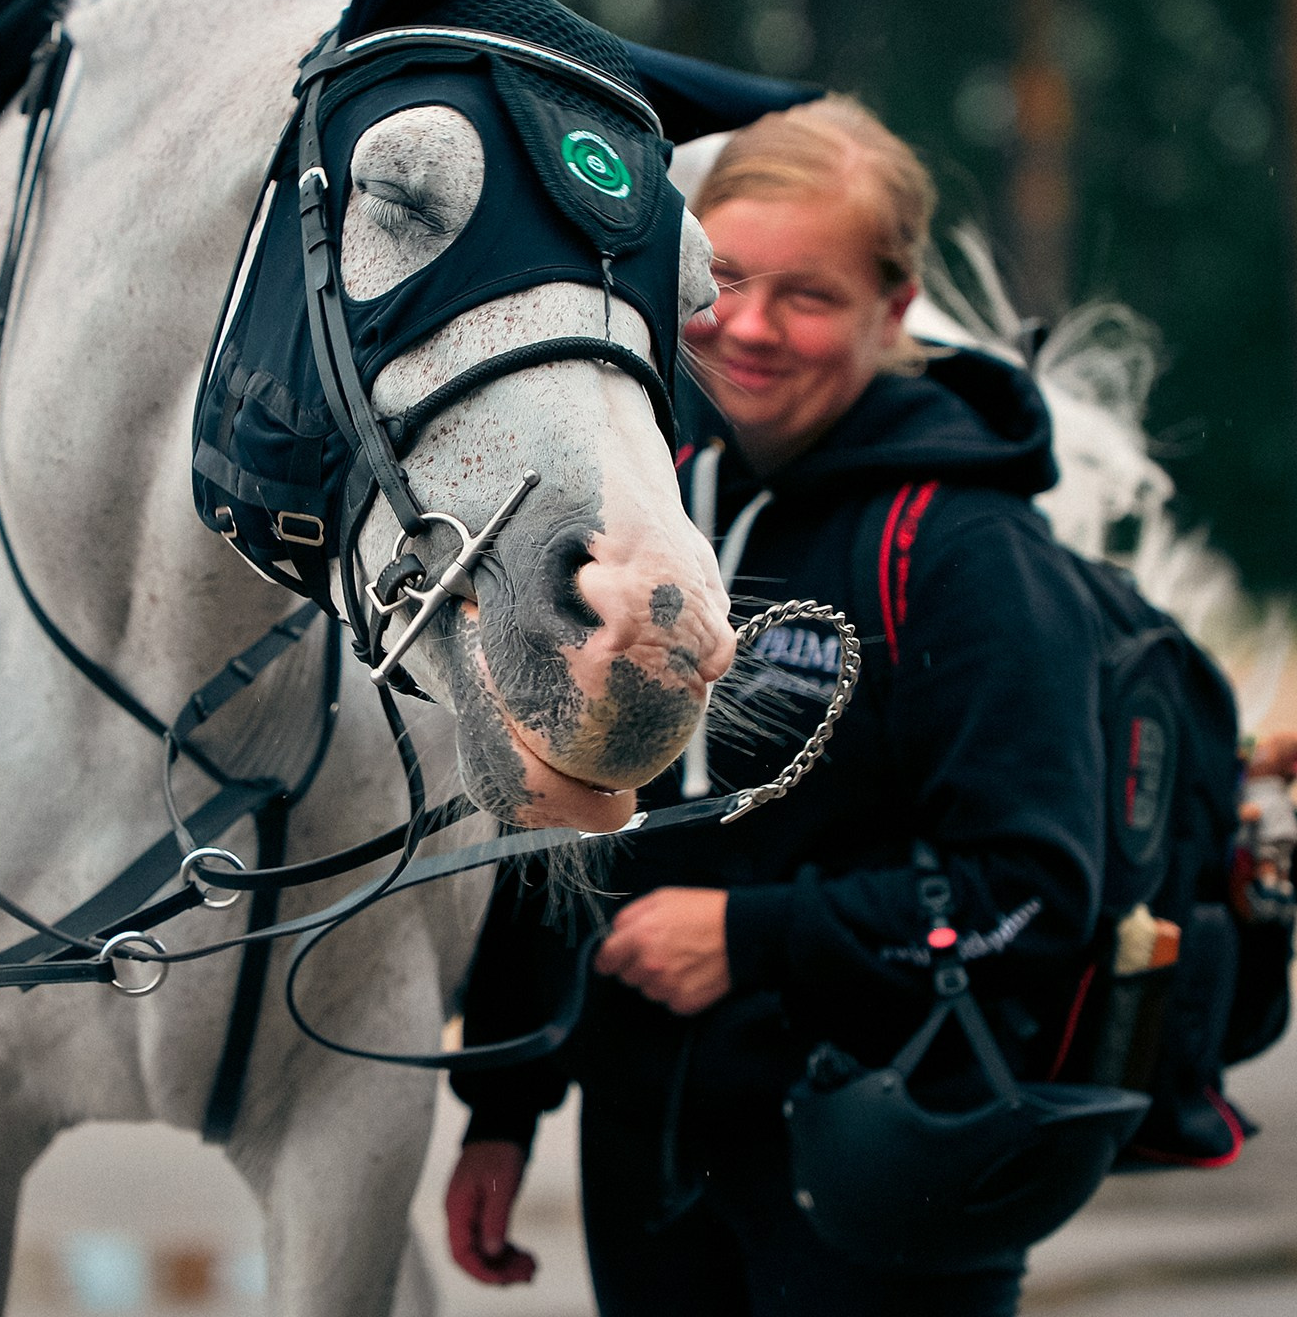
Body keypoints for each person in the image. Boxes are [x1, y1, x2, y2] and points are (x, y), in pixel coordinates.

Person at [442, 95, 1110, 1316]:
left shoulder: (967, 552)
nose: (747, 328)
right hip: (646, 1162)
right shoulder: (644, 508)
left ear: (891, 312)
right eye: (725, 280)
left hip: (881, 1172)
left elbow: (1033, 894)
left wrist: (753, 938)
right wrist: (503, 1102)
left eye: (807, 296)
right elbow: (557, 821)